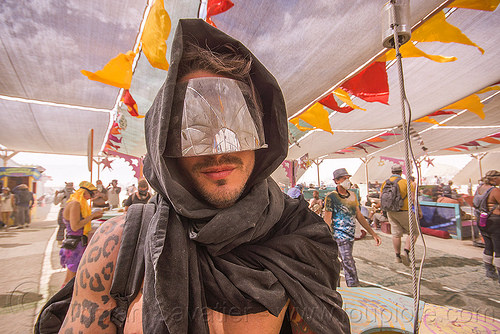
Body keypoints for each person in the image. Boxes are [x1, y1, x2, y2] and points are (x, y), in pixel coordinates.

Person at [58, 19, 349, 333]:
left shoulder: (298, 239)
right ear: (164, 143)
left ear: (262, 135)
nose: (219, 149)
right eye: (193, 130)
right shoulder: (117, 246)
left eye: (238, 127)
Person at [324, 168, 381, 287]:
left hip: (350, 236)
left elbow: (359, 216)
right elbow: (327, 218)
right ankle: (354, 286)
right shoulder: (331, 197)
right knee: (347, 261)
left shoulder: (353, 196)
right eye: (344, 178)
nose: (347, 181)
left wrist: (373, 233)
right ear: (337, 181)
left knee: (340, 261)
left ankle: (336, 286)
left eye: (348, 178)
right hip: (338, 235)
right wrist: (325, 235)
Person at [59, 181, 103, 285]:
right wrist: (92, 216)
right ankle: (64, 299)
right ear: (85, 193)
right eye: (91, 194)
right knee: (70, 279)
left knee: (75, 277)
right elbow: (75, 227)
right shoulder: (75, 204)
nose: (91, 197)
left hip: (78, 243)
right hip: (74, 245)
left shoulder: (78, 203)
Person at [381, 165, 421, 266]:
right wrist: (419, 210)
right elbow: (413, 199)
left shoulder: (385, 182)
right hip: (404, 210)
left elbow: (381, 197)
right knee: (414, 232)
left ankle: (397, 256)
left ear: (392, 171)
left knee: (396, 234)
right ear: (401, 172)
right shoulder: (406, 183)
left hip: (390, 212)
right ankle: (406, 251)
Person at [473, 170, 500, 282]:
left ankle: (489, 270)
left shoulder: (479, 189)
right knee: (498, 248)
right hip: (495, 221)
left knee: (488, 246)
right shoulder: (495, 190)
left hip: (482, 220)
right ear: (494, 179)